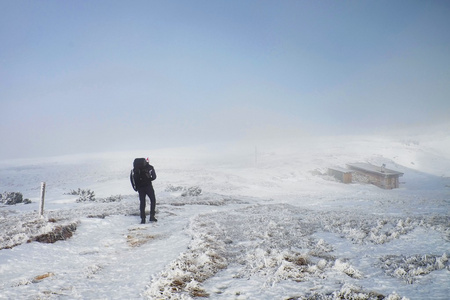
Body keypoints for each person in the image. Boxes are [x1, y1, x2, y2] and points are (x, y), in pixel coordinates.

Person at [130, 157, 157, 224]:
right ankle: (152, 216)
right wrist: (149, 180)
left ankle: (143, 219)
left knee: (142, 202)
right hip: (148, 186)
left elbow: (132, 179)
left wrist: (135, 187)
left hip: (140, 187)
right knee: (152, 200)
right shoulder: (149, 167)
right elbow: (154, 177)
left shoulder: (135, 169)